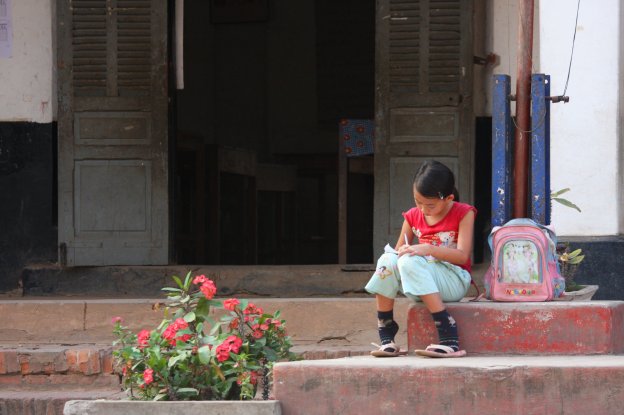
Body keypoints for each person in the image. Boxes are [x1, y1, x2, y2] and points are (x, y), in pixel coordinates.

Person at [365, 160, 476, 358]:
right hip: (419, 284)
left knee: (409, 260)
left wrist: (427, 249)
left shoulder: (463, 213)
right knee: (387, 259)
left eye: (430, 205)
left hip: (453, 282)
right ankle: (386, 332)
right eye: (418, 202)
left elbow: (462, 256)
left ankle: (448, 334)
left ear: (448, 198)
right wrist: (406, 251)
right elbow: (398, 253)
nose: (423, 210)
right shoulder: (412, 216)